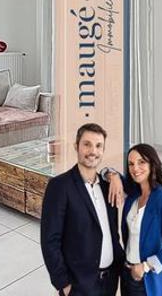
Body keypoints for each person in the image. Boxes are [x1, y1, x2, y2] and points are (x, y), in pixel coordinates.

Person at [40, 123, 125, 296]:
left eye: (98, 146)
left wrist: (113, 174)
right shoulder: (59, 186)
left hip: (110, 280)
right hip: (79, 286)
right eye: (87, 144)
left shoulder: (108, 186)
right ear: (76, 146)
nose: (93, 151)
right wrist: (63, 284)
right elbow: (50, 240)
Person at [120, 144, 162, 296]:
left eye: (141, 162)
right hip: (127, 273)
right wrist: (111, 175)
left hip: (147, 279)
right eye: (131, 164)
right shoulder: (133, 194)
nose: (135, 168)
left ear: (152, 164)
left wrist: (145, 266)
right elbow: (108, 173)